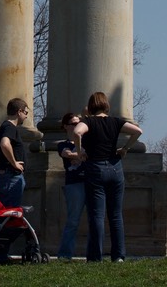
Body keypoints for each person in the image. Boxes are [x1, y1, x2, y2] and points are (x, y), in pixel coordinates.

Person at [73, 91, 143, 262]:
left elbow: (76, 132)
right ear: (106, 105)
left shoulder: (88, 121)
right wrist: (125, 148)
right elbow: (137, 131)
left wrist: (79, 151)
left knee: (97, 215)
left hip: (95, 168)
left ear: (90, 107)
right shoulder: (115, 122)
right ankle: (118, 256)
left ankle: (96, 257)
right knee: (116, 215)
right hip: (115, 168)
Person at [56, 111, 87, 260]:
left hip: (90, 182)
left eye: (79, 123)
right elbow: (66, 154)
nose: (77, 126)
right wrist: (81, 155)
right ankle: (65, 254)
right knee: (73, 221)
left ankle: (94, 254)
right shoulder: (63, 144)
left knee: (95, 220)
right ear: (65, 127)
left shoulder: (86, 142)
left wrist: (80, 154)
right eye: (74, 123)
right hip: (74, 185)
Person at [0, 98, 30, 207]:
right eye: (25, 113)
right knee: (11, 215)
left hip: (5, 175)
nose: (26, 116)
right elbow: (4, 144)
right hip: (11, 177)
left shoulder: (4, 126)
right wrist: (14, 163)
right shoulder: (10, 127)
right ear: (19, 112)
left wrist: (0, 160)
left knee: (5, 213)